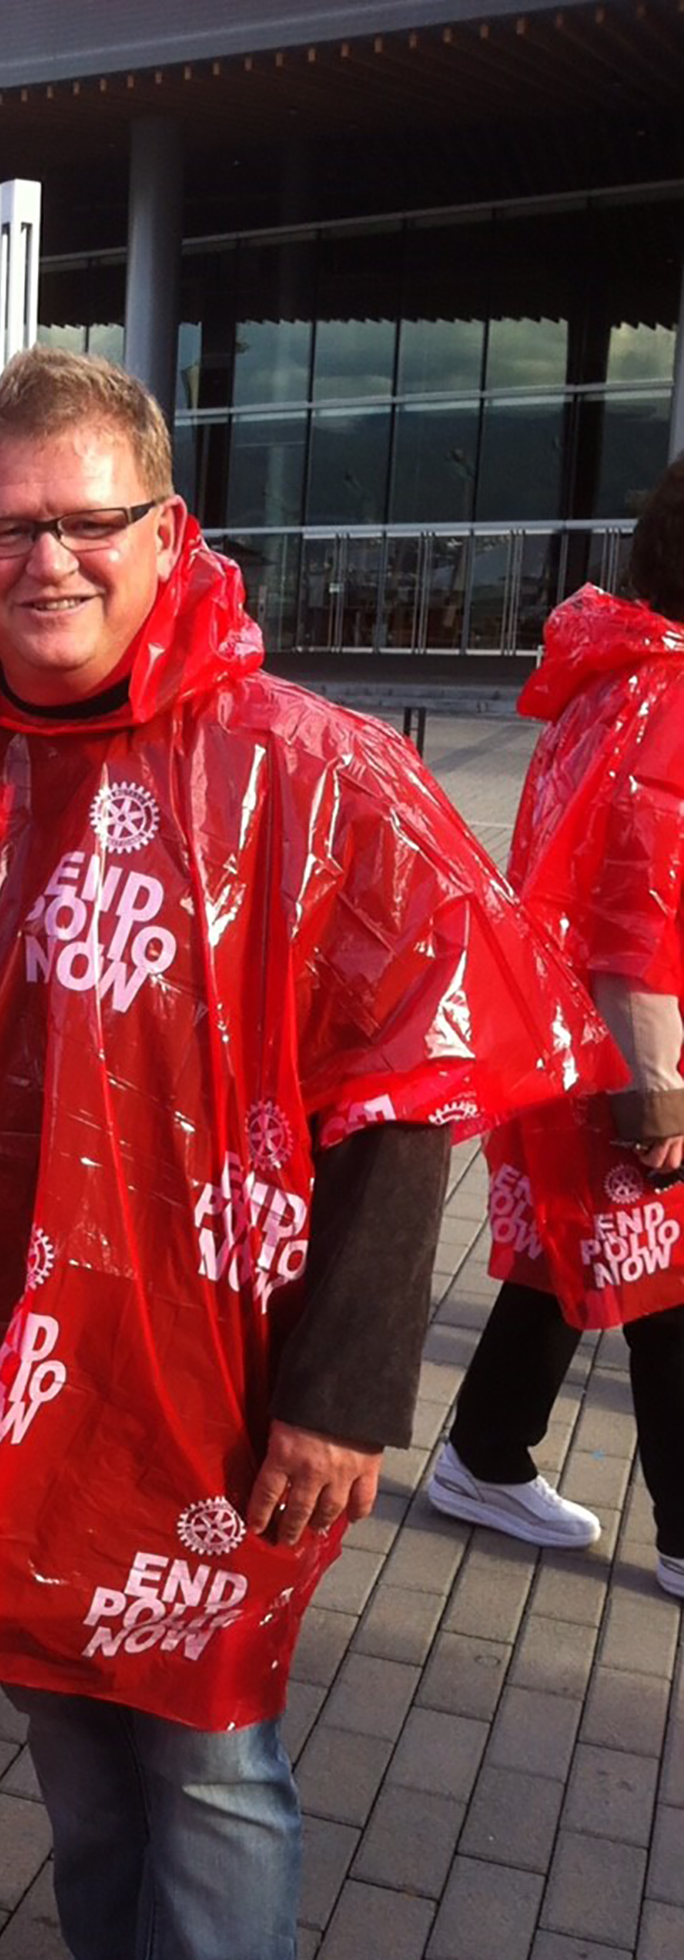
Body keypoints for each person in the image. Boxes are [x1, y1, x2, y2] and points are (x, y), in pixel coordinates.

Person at [0, 348, 616, 1960]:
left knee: (207, 1750)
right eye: (7, 524)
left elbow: (413, 1088)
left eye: (87, 519)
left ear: (170, 531)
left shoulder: (314, 769)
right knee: (56, 1705)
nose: (45, 559)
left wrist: (343, 1395)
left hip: (216, 1372)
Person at [428, 454, 684, 1598]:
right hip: (628, 1045)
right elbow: (642, 907)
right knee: (668, 1289)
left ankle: (483, 1454)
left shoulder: (615, 676)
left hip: (567, 1031)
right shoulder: (671, 694)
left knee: (568, 1264)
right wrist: (659, 1088)